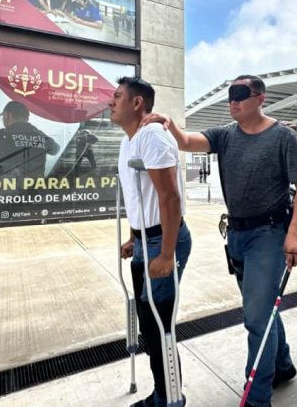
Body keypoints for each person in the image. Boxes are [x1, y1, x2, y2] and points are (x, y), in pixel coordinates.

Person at [143, 75, 297, 407]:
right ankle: (282, 365)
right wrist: (170, 124)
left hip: (269, 233)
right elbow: (189, 142)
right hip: (236, 234)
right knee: (262, 312)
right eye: (229, 95)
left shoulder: (282, 137)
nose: (232, 101)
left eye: (240, 94)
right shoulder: (226, 135)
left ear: (260, 98)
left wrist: (295, 232)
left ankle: (257, 398)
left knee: (256, 318)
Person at [111, 77, 192, 407]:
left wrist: (167, 254)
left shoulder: (153, 137)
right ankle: (162, 392)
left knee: (159, 326)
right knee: (147, 321)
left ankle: (170, 398)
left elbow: (169, 198)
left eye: (117, 97)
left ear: (137, 103)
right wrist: (132, 236)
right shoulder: (128, 141)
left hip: (164, 240)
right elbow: (137, 195)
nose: (110, 102)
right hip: (145, 239)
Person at [0, 101, 60, 179]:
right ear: (27, 118)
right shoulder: (41, 136)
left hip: (7, 189)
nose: (3, 119)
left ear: (7, 115)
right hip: (34, 189)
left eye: (3, 117)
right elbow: (55, 150)